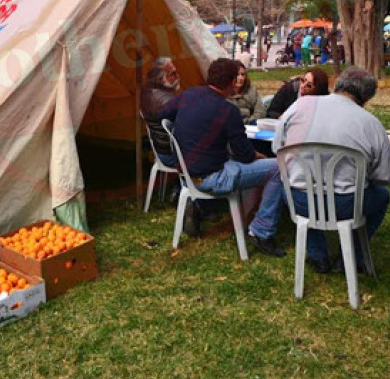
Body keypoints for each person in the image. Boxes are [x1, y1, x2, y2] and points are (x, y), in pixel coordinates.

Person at [272, 67, 390, 273]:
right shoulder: (370, 124)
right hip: (346, 204)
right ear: (366, 98)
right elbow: (385, 176)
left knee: (299, 190)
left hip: (299, 200)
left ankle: (317, 255)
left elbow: (278, 149)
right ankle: (354, 254)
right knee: (381, 196)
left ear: (337, 84)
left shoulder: (300, 105)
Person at [158, 58, 288, 257]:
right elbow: (244, 156)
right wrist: (259, 156)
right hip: (212, 176)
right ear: (230, 82)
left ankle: (201, 207)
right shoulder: (228, 111)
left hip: (185, 174)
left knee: (233, 161)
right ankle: (262, 230)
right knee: (276, 167)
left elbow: (164, 115)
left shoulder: (189, 94)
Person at [141, 57, 182, 169]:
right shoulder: (165, 100)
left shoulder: (149, 92)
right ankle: (186, 184)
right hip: (171, 154)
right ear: (160, 78)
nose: (177, 76)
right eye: (173, 73)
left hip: (163, 149)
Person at [265, 68, 330, 120]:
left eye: (309, 85)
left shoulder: (324, 101)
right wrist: (282, 118)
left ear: (317, 90)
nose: (303, 86)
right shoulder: (288, 89)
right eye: (303, 80)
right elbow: (271, 112)